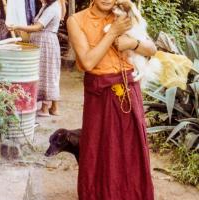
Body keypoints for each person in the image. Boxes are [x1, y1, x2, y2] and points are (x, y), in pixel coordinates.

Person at [67, 0, 157, 199]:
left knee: (131, 152)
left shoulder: (123, 13)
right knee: (99, 150)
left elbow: (152, 50)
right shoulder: (76, 20)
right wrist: (113, 32)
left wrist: (133, 43)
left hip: (129, 91)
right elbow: (88, 62)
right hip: (100, 96)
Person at [8, 0, 61, 116]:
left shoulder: (52, 8)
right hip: (44, 41)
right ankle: (54, 108)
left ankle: (45, 108)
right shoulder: (47, 6)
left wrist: (18, 26)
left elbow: (38, 27)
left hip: (46, 43)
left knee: (46, 74)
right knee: (49, 73)